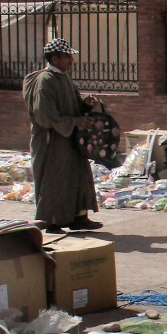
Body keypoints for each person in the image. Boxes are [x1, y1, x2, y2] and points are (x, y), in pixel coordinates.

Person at [22, 38, 102, 234]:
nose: (71, 60)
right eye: (67, 56)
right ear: (55, 58)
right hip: (52, 141)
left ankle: (79, 217)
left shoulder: (64, 77)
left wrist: (85, 101)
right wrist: (74, 122)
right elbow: (44, 114)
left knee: (79, 174)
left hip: (69, 139)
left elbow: (72, 101)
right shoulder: (46, 80)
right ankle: (51, 221)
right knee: (55, 179)